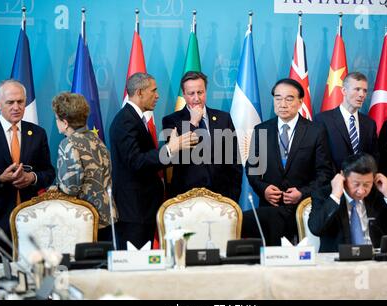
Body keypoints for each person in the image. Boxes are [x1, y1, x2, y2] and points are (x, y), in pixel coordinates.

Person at [109, 72, 195, 250]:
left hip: (143, 209)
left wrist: (175, 150)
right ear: (140, 92)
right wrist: (170, 148)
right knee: (135, 266)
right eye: (153, 91)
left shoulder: (134, 119)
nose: (158, 96)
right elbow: (136, 162)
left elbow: (148, 159)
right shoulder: (126, 121)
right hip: (133, 211)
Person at [243, 78, 334, 245]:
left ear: (300, 102)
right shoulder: (262, 130)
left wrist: (302, 192)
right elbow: (253, 169)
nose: (282, 104)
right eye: (278, 98)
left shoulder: (315, 131)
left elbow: (325, 172)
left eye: (289, 98)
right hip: (270, 210)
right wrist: (264, 190)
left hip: (303, 209)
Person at [0, 79, 55, 263]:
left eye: (20, 102)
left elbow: (49, 172)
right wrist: (0, 178)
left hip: (31, 221)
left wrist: (32, 178)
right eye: (10, 102)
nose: (16, 107)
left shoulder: (38, 133)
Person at [162, 71, 242, 202]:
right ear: (184, 94)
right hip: (186, 198)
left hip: (222, 197)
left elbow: (234, 160)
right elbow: (177, 157)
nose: (196, 98)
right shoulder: (171, 121)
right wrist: (193, 123)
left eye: (200, 92)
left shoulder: (224, 118)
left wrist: (233, 195)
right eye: (191, 93)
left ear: (206, 91)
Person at [308, 153, 387, 253]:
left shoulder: (377, 195)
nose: (361, 191)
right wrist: (335, 195)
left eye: (367, 184)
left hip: (374, 261)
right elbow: (316, 229)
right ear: (342, 176)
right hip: (339, 263)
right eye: (356, 184)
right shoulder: (324, 194)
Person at [52, 92, 117, 241]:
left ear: (65, 122)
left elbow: (70, 188)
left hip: (83, 218)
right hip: (107, 216)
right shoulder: (97, 140)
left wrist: (55, 188)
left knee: (82, 264)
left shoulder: (68, 144)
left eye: (57, 119)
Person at [315, 72, 379, 172]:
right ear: (344, 91)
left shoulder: (370, 124)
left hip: (361, 185)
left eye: (365, 91)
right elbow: (320, 158)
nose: (362, 95)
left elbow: (373, 157)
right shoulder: (322, 120)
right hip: (332, 183)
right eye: (357, 89)